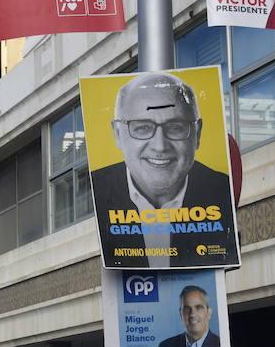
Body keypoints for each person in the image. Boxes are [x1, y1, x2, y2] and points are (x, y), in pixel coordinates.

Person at [91, 72, 237, 267]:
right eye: (142, 127)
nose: (160, 146)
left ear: (197, 133)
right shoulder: (96, 192)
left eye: (175, 127)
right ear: (118, 134)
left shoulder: (223, 191)